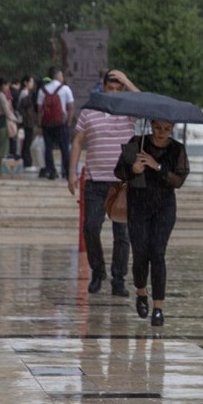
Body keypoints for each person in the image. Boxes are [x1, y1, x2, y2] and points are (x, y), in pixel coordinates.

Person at [68, 69, 139, 296]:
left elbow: (147, 103)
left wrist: (128, 80)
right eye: (112, 86)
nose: (115, 91)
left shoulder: (129, 110)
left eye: (119, 87)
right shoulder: (90, 110)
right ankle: (98, 272)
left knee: (122, 234)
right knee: (90, 227)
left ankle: (119, 279)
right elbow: (78, 142)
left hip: (123, 182)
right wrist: (71, 172)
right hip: (95, 181)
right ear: (104, 86)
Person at [114, 119, 190, 327]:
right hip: (138, 207)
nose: (161, 133)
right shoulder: (137, 142)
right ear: (151, 126)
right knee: (140, 253)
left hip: (164, 208)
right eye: (157, 128)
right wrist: (133, 170)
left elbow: (179, 181)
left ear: (172, 129)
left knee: (157, 254)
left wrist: (157, 166)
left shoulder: (177, 149)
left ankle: (158, 308)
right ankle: (141, 292)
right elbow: (118, 171)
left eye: (166, 129)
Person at [37, 66, 75, 180]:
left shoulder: (42, 90)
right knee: (64, 147)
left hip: (47, 123)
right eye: (62, 76)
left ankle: (51, 171)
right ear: (58, 76)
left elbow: (39, 110)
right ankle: (66, 172)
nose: (63, 78)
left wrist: (39, 125)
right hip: (61, 123)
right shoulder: (65, 89)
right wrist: (69, 121)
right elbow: (71, 107)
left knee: (48, 148)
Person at [17, 75, 38, 171]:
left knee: (27, 141)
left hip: (27, 120)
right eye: (31, 82)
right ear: (26, 82)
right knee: (27, 141)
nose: (32, 84)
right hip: (27, 121)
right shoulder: (25, 93)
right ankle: (27, 163)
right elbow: (23, 108)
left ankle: (27, 161)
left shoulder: (25, 93)